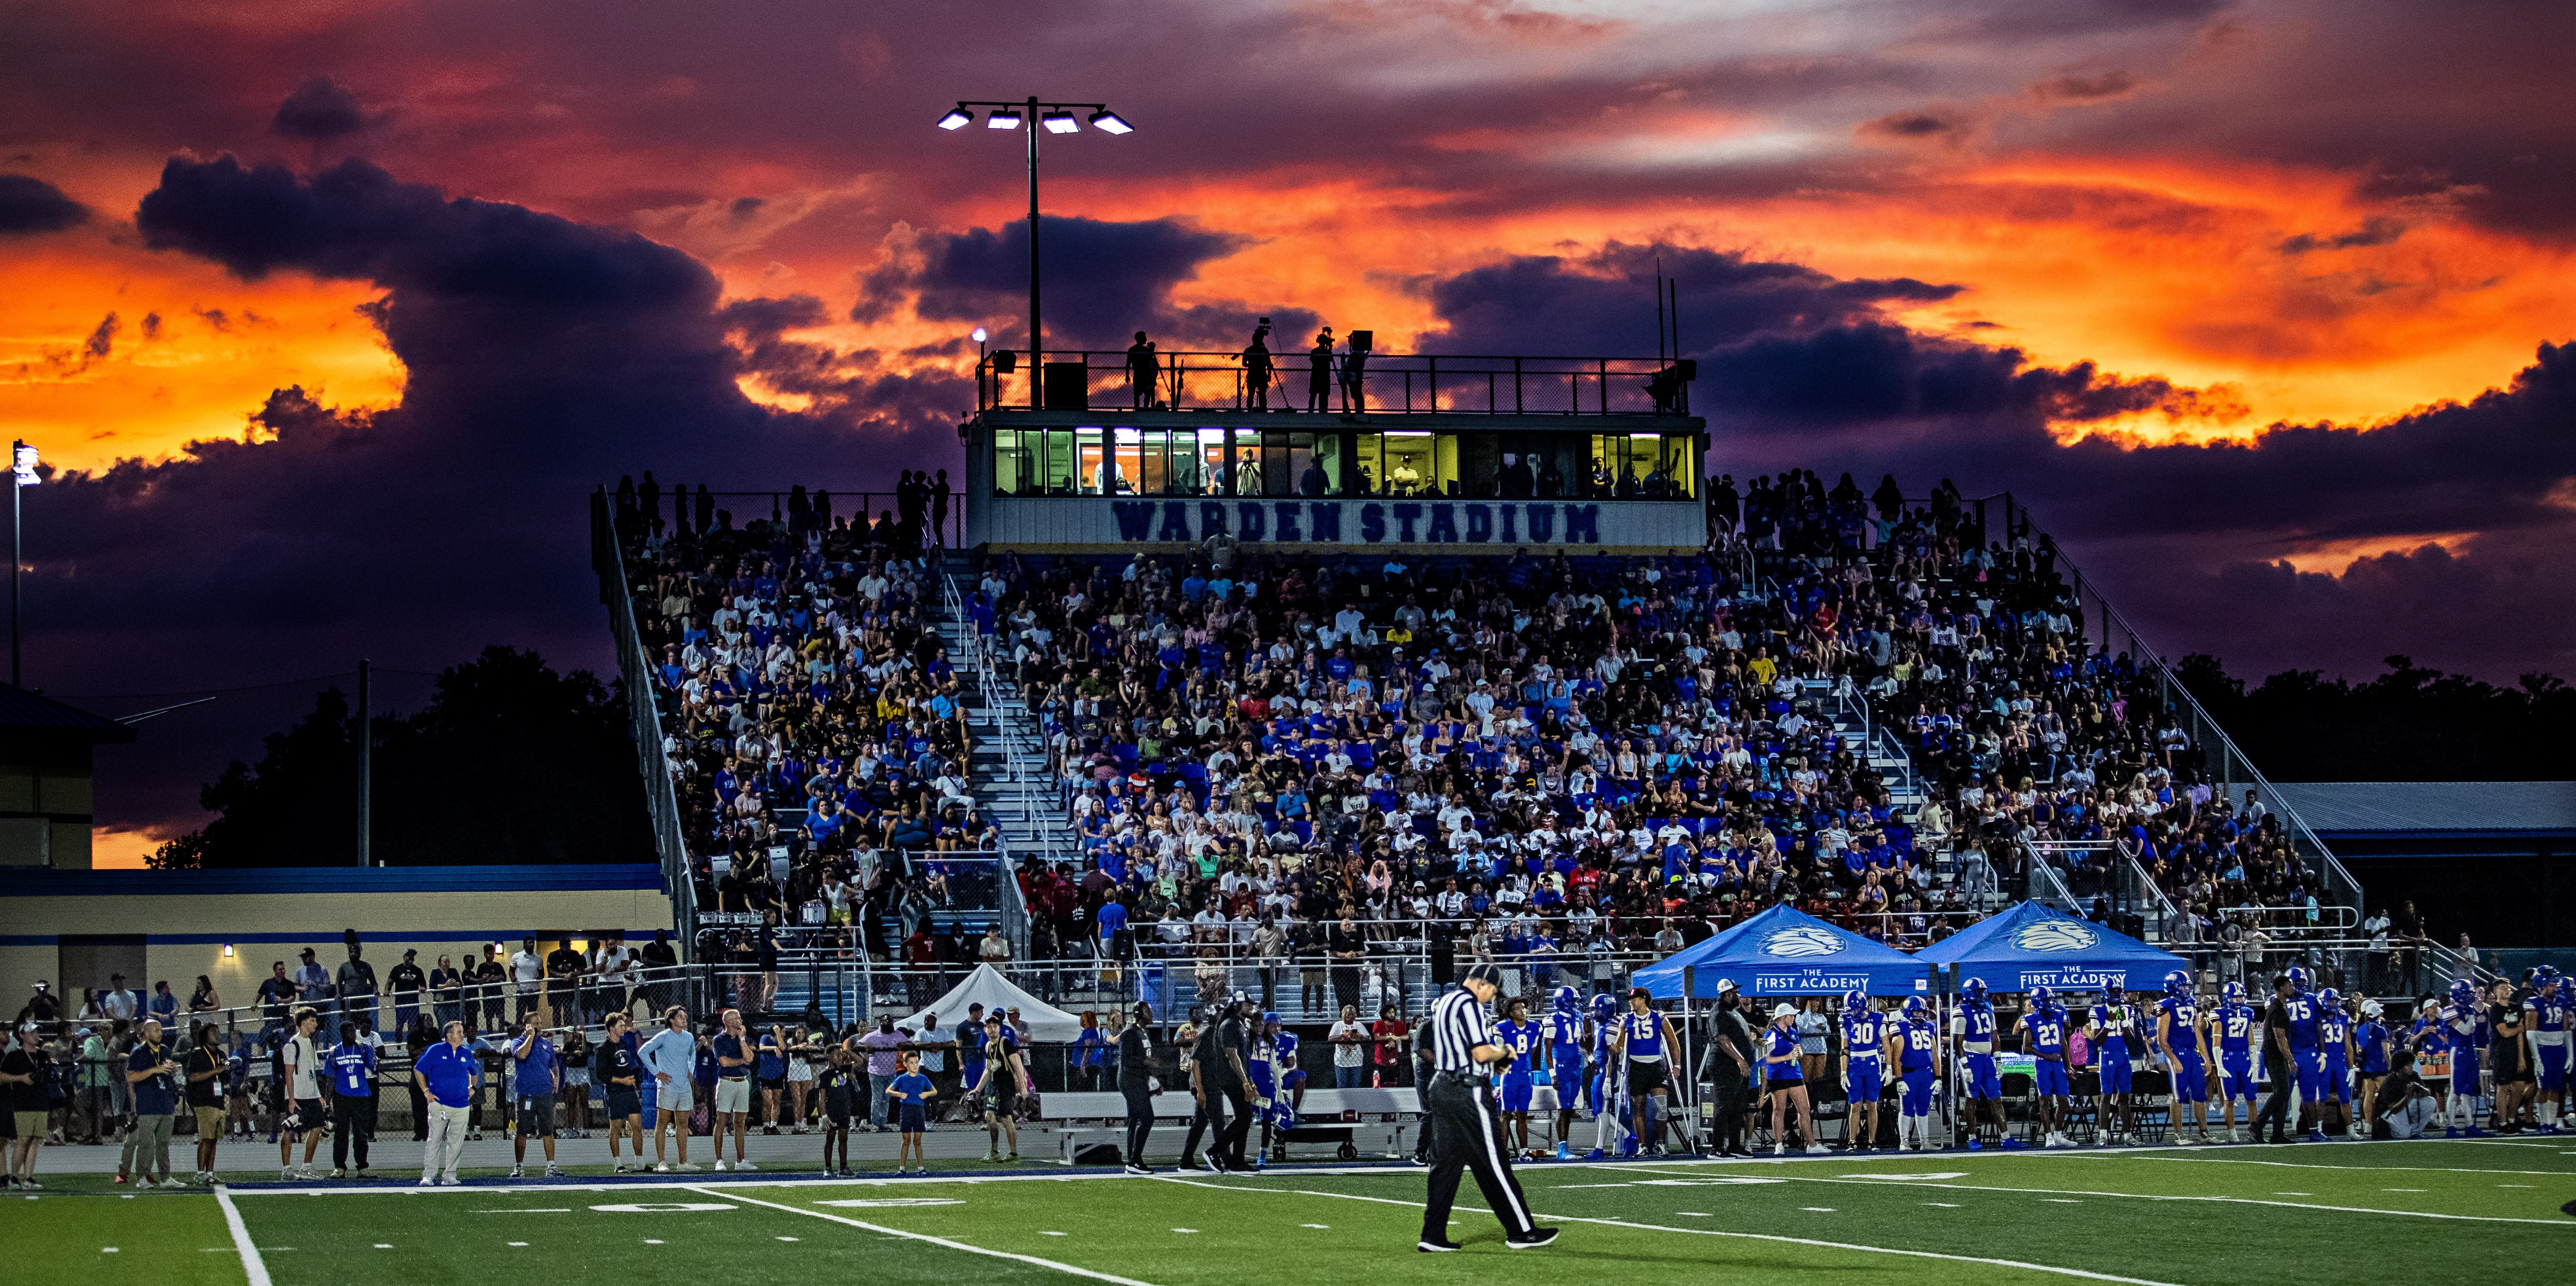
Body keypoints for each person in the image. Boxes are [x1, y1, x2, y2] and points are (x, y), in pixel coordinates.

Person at [1416, 963, 1555, 1253]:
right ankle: (1521, 1231)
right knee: (1494, 1161)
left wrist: (1493, 1061)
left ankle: (1433, 1235)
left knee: (1445, 1166)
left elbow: (1459, 1047)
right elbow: (1480, 1052)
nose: (1492, 998)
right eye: (1492, 991)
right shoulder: (1470, 1006)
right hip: (1467, 1091)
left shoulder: (1444, 1002)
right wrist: (1504, 1051)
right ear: (1481, 983)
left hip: (1442, 1086)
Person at [1613, 986, 1687, 1155]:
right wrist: (1615, 1047)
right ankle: (1642, 1145)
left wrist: (1677, 1065)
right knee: (1639, 1106)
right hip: (1636, 1066)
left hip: (1656, 1065)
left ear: (1643, 999)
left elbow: (1673, 1042)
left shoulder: (1659, 1018)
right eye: (1630, 1000)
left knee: (1662, 1106)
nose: (1631, 1002)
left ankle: (1660, 1143)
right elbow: (1619, 1043)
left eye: (1634, 999)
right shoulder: (1627, 1019)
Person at [1953, 977, 2016, 1149]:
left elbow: (1994, 1035)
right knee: (1972, 1099)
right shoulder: (1961, 1010)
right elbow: (1957, 1043)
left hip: (1987, 1059)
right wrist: (1965, 1066)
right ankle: (1972, 1138)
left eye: (1983, 991)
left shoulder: (1988, 1007)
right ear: (1969, 993)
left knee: (1996, 1098)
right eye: (1979, 992)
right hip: (1971, 1058)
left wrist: (1999, 1061)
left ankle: (2006, 1137)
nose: (1982, 995)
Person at [118, 1018, 179, 1188]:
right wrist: (155, 1070)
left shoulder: (165, 1050)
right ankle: (141, 1178)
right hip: (147, 1105)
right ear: (146, 1033)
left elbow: (168, 1073)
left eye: (161, 1030)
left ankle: (165, 1178)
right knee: (145, 1145)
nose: (160, 1034)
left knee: (163, 1145)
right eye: (156, 1030)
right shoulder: (139, 1052)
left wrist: (172, 1068)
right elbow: (130, 1076)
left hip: (166, 1103)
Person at [413, 1020, 476, 1186]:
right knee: (434, 1140)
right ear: (449, 1035)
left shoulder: (467, 1053)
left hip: (462, 1106)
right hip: (440, 1105)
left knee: (456, 1143)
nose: (463, 1035)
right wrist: (426, 1092)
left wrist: (473, 1087)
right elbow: (419, 1070)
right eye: (459, 1032)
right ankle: (428, 1176)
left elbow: (474, 1072)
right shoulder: (435, 1050)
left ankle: (450, 1176)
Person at [2154, 970, 2211, 1145]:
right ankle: (2178, 1135)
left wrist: (2206, 1057)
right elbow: (2161, 1040)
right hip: (2177, 1051)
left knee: (2200, 1093)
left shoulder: (2191, 1003)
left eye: (2187, 986)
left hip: (2192, 1052)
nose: (2186, 989)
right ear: (2173, 987)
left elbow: (2198, 1033)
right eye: (2183, 986)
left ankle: (2204, 1133)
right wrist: (2174, 1059)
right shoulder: (2165, 1006)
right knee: (2178, 1095)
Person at [640, 1006, 700, 1171]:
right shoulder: (664, 1036)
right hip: (667, 1087)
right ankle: (662, 1162)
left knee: (683, 1124)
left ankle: (683, 1163)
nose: (685, 1019)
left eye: (685, 1016)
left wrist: (690, 1070)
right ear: (672, 1020)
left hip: (684, 1087)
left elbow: (692, 1055)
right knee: (662, 1124)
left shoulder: (689, 1037)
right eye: (680, 1016)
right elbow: (643, 1051)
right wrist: (657, 1072)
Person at [2017, 987, 2073, 1148]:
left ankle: (2059, 1135)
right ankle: (2048, 1137)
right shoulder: (2029, 1019)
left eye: (2050, 999)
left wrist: (2068, 1065)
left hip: (2058, 1063)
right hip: (2042, 1063)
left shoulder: (2059, 1014)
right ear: (2038, 1002)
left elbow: (2063, 1042)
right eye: (2046, 1000)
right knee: (2044, 1101)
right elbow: (2027, 1048)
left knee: (2063, 1101)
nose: (2050, 1002)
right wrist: (2047, 1056)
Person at [509, 1015, 562, 1178]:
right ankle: (519, 1166)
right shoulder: (517, 1042)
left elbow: (554, 1064)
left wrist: (556, 1077)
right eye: (536, 1023)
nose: (540, 1025)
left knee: (548, 1130)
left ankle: (551, 1166)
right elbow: (522, 1055)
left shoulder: (546, 1044)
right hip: (527, 1094)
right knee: (522, 1130)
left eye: (540, 1022)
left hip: (545, 1093)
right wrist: (530, 1037)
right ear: (527, 1025)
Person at [1762, 1002, 1819, 1155]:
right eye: (1791, 1016)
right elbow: (1765, 1059)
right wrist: (1786, 1057)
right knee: (1779, 1110)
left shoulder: (1793, 1032)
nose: (1794, 1018)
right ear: (1783, 1017)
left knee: (1804, 1109)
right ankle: (1779, 1144)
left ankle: (1812, 1145)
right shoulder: (1771, 1034)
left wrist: (1799, 1054)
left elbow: (1798, 1052)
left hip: (1794, 1073)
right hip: (1778, 1075)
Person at [325, 1021, 376, 1178]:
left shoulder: (364, 1049)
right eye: (350, 1032)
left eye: (354, 1032)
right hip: (341, 1096)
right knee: (341, 1133)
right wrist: (327, 1102)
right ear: (342, 1034)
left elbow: (374, 1069)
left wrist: (375, 1058)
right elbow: (330, 1079)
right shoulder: (334, 1053)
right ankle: (339, 1168)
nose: (353, 1035)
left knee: (361, 1133)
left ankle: (363, 1168)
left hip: (361, 1096)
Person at [1542, 985, 1588, 1160]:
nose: (1575, 1005)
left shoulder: (1578, 1017)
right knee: (1562, 1108)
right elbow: (1548, 1051)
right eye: (1572, 1001)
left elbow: (1581, 1043)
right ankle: (1562, 1149)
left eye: (1576, 1001)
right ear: (1562, 1002)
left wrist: (1590, 1059)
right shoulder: (1552, 1019)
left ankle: (1565, 1146)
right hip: (1561, 1066)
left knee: (1569, 1109)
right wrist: (1552, 1074)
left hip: (1576, 1066)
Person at [2087, 988, 2138, 1145]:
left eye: (2118, 992)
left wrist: (2124, 1021)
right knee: (2106, 1095)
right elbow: (2098, 1040)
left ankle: (2128, 1135)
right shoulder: (2097, 1010)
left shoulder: (2127, 1009)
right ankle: (2103, 1135)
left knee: (2124, 1096)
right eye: (2113, 992)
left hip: (2123, 1055)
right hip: (2107, 1054)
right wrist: (2109, 1022)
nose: (2116, 995)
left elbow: (2131, 1039)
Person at [2253, 973, 2299, 1145]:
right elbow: (2280, 1037)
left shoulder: (2277, 1007)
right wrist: (2290, 1059)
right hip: (2275, 1055)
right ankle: (2258, 1125)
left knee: (2283, 1093)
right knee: (2281, 1092)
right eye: (2289, 985)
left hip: (2275, 1054)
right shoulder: (2278, 1008)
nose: (2292, 988)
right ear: (2281, 988)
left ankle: (2277, 1133)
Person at [597, 1012, 647, 1173]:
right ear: (612, 1028)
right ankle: (618, 1164)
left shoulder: (624, 1044)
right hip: (615, 1092)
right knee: (616, 1128)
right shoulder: (604, 1049)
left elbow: (630, 1065)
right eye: (621, 1026)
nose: (624, 1028)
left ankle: (640, 1163)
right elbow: (602, 1075)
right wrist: (622, 1081)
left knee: (637, 1126)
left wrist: (631, 1081)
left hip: (629, 1091)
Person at [280, 1008, 326, 1179]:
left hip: (311, 1095)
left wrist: (318, 1094)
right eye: (313, 1020)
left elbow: (311, 1072)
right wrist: (291, 1099)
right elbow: (289, 1074)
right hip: (297, 1096)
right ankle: (287, 1169)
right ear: (304, 1022)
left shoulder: (311, 1043)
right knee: (289, 1129)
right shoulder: (292, 1045)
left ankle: (307, 1167)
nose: (316, 1024)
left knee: (318, 1126)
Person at [1838, 991, 1886, 1153]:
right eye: (1850, 1010)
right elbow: (1844, 1049)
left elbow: (1887, 1045)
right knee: (1855, 1105)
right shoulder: (1846, 1020)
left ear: (1863, 1006)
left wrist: (1889, 1067)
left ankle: (1872, 1141)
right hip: (1855, 1065)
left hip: (1872, 1063)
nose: (1852, 1013)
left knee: (1873, 1104)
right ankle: (1852, 1141)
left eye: (1855, 1009)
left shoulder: (1877, 1018)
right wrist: (1843, 1072)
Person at [973, 1014, 1026, 1162]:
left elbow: (1018, 1065)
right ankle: (994, 1151)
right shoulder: (988, 1046)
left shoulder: (1005, 1043)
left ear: (1000, 1028)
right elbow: (988, 1070)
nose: (992, 1029)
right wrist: (978, 1089)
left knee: (1006, 1118)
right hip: (993, 1085)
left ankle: (1013, 1154)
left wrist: (1023, 1087)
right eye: (989, 1027)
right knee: (989, 1115)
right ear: (985, 1030)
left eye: (995, 1026)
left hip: (1006, 1085)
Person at [1892, 995, 1941, 1151]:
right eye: (1916, 1012)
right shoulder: (1900, 1027)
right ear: (1908, 1012)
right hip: (1909, 1073)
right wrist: (1899, 1079)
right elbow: (1896, 1057)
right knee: (1906, 1108)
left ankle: (1925, 1142)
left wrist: (1938, 1077)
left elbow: (1935, 1055)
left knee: (1923, 1108)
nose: (1920, 1015)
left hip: (1926, 1073)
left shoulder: (1929, 1027)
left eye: (1922, 1012)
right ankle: (1904, 1141)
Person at [2213, 981, 2259, 1142]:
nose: (2239, 1000)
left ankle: (2254, 1132)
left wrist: (2255, 1064)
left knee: (2252, 1099)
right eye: (2236, 997)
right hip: (2228, 1059)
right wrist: (2219, 1065)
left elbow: (2251, 1040)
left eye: (2241, 997)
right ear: (2228, 998)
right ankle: (2232, 1134)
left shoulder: (2247, 1013)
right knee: (2230, 1099)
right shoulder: (2220, 1014)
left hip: (2245, 1058)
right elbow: (2216, 1043)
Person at [711, 1008, 757, 1170]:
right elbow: (724, 1062)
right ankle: (719, 1160)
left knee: (740, 1122)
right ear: (729, 1022)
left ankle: (741, 1160)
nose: (741, 1021)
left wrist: (742, 1039)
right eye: (738, 1018)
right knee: (721, 1120)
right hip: (727, 1082)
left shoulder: (742, 1038)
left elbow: (749, 1058)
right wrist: (741, 1061)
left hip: (742, 1082)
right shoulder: (719, 1040)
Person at [1492, 997, 1538, 1157]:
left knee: (1523, 1114)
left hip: (1525, 1075)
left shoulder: (1534, 1027)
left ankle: (1524, 1151)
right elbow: (1497, 1048)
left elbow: (1532, 1051)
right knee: (1506, 1114)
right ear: (1511, 1013)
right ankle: (1503, 1151)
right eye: (1518, 1008)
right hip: (1510, 1075)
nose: (1523, 1010)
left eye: (1524, 1007)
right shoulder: (1503, 1027)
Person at [186, 1022, 228, 1184]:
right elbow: (192, 1077)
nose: (217, 1034)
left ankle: (210, 1173)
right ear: (205, 1037)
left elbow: (224, 1078)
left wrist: (227, 1071)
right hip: (204, 1101)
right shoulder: (198, 1054)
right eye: (213, 1032)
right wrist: (215, 1071)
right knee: (206, 1138)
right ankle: (200, 1173)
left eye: (218, 1031)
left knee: (214, 1139)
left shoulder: (221, 1054)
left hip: (219, 1100)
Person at [1119, 1001, 1158, 1174]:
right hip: (1131, 1081)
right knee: (1148, 1118)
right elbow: (1126, 1060)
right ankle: (1135, 1161)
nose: (1151, 1013)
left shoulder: (1143, 1032)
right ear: (1140, 1014)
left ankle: (1133, 1161)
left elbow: (1144, 1060)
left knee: (1135, 1121)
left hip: (1138, 1080)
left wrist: (1154, 1082)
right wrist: (1146, 1062)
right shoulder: (1130, 1033)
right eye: (1148, 1011)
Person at [889, 1050, 936, 1176]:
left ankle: (921, 1168)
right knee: (906, 1140)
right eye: (912, 1063)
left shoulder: (923, 1078)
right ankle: (902, 1168)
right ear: (905, 1064)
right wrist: (899, 1094)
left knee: (918, 1141)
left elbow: (934, 1091)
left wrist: (927, 1094)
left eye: (917, 1062)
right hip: (906, 1109)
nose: (915, 1065)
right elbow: (889, 1090)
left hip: (919, 1109)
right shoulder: (902, 1078)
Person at [819, 1046, 860, 1176]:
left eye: (841, 1055)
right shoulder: (825, 1075)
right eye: (837, 1055)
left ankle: (843, 1167)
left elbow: (859, 1062)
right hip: (833, 1111)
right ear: (829, 1057)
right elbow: (822, 1098)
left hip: (844, 1109)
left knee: (844, 1139)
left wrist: (848, 1052)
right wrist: (824, 1116)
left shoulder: (845, 1069)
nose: (840, 1057)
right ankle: (828, 1168)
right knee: (830, 1139)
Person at [1328, 1004, 1369, 1089]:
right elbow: (1330, 1039)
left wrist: (1360, 1036)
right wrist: (1342, 1036)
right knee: (1342, 1086)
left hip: (1357, 1061)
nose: (1351, 1016)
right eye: (1348, 1014)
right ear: (1344, 1014)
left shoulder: (1358, 1025)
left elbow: (1368, 1038)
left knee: (1356, 1086)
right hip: (1341, 1061)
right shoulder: (1338, 1025)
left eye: (1353, 1014)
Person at [1126, 331, 1158, 410]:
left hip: (1140, 375)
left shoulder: (1132, 350)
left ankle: (1138, 408)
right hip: (1144, 375)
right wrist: (1151, 350)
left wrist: (1127, 375)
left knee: (1139, 394)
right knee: (1146, 393)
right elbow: (1152, 361)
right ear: (1140, 339)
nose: (1146, 339)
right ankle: (1145, 408)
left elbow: (1128, 363)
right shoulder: (1143, 350)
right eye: (1144, 337)